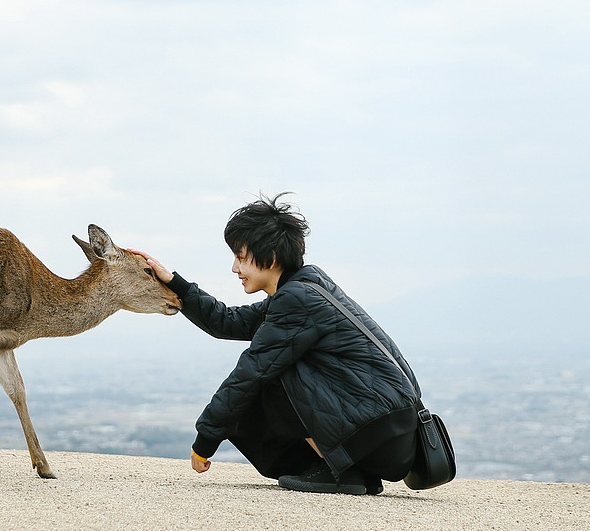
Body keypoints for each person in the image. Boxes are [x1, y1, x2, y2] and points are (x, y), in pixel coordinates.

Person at [128, 193, 421, 495]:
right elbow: (226, 321)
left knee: (267, 376)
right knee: (270, 369)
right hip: (386, 427)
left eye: (241, 257)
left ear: (270, 256)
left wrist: (205, 440)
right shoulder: (299, 290)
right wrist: (175, 282)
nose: (234, 268)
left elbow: (251, 372)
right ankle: (346, 471)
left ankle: (340, 471)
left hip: (376, 430)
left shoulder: (298, 299)